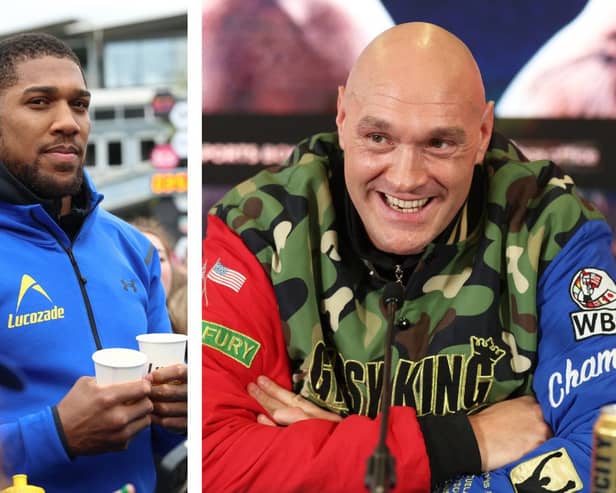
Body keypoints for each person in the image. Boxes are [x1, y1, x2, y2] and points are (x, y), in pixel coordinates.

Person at [203, 22, 616, 492]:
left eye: (439, 143)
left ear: (482, 134)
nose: (405, 178)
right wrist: (464, 443)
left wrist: (335, 455)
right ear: (341, 119)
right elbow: (214, 462)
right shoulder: (257, 226)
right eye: (378, 137)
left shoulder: (551, 225)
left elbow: (605, 454)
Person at [0, 33, 187, 493]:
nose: (68, 122)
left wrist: (182, 412)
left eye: (79, 105)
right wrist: (55, 434)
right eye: (40, 102)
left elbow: (166, 443)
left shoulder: (132, 247)